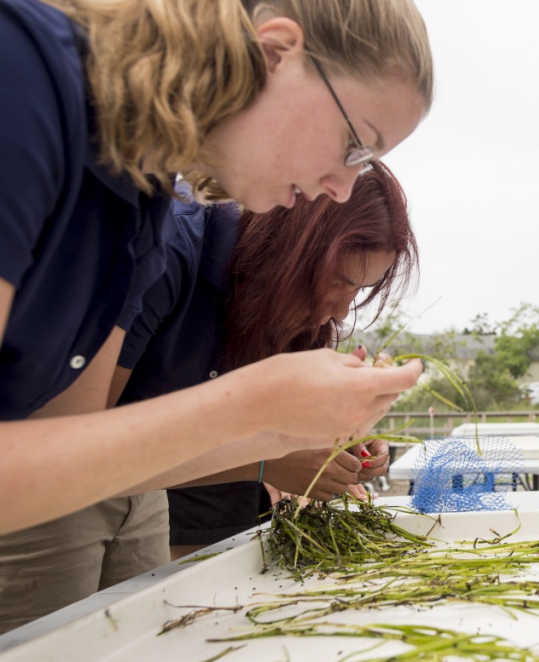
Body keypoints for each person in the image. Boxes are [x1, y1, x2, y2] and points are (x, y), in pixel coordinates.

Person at [0, 0, 432, 536]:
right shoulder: (22, 75)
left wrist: (284, 436)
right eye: (354, 145)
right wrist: (252, 405)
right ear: (274, 53)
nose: (341, 189)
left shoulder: (143, 195)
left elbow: (71, 447)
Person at [0, 164, 417, 632]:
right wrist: (266, 462)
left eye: (359, 289)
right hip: (44, 484)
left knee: (142, 642)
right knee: (48, 650)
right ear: (293, 245)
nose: (341, 308)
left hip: (148, 490)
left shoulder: (292, 305)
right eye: (338, 280)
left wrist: (332, 447)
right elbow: (77, 449)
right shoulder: (171, 246)